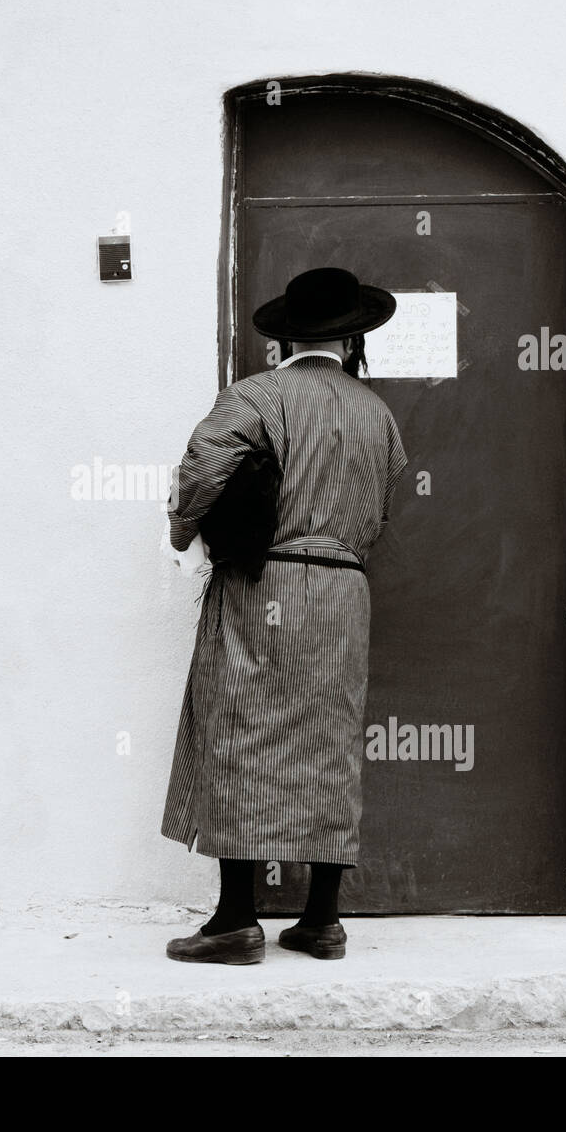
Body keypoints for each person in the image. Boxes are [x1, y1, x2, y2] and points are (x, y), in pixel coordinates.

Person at [161, 266, 408, 964]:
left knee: (240, 730)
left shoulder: (256, 395)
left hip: (263, 582)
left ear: (285, 340)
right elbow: (381, 511)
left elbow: (202, 470)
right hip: (342, 593)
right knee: (332, 743)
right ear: (353, 338)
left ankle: (236, 920)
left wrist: (183, 536)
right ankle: (322, 919)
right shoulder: (378, 415)